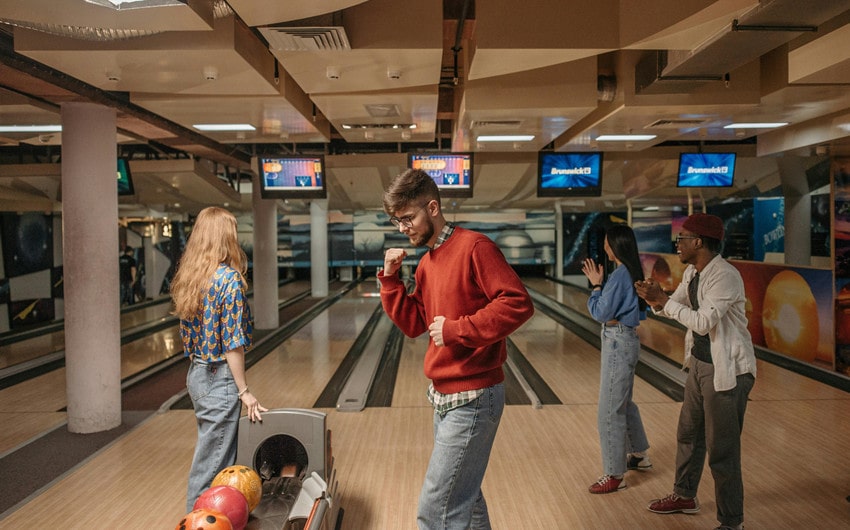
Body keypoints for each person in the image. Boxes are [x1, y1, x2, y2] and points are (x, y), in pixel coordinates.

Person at [378, 168, 534, 529]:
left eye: (408, 218)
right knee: (465, 496)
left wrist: (458, 330)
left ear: (432, 207)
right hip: (444, 396)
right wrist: (390, 280)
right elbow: (416, 324)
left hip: (475, 395)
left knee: (436, 511)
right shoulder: (427, 262)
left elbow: (517, 302)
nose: (403, 228)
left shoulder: (475, 247)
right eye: (396, 222)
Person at [634, 213, 756, 530]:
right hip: (700, 365)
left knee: (722, 450)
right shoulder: (693, 272)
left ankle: (732, 522)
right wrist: (654, 298)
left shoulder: (725, 276)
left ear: (698, 242)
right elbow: (674, 304)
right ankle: (684, 496)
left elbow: (702, 321)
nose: (678, 244)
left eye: (682, 238)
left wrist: (664, 302)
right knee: (688, 435)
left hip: (727, 370)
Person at [170, 206, 267, 513]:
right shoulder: (230, 281)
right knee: (212, 463)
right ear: (227, 238)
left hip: (197, 374)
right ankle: (196, 520)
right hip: (219, 377)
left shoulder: (191, 278)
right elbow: (232, 344)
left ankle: (216, 518)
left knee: (213, 454)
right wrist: (244, 391)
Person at [581, 224, 651, 494]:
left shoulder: (620, 275)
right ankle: (640, 455)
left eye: (608, 242)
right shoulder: (630, 271)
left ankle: (614, 474)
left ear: (617, 245)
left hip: (617, 341)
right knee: (624, 403)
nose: (605, 247)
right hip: (626, 338)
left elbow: (600, 312)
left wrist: (597, 286)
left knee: (609, 411)